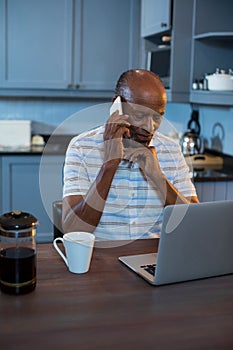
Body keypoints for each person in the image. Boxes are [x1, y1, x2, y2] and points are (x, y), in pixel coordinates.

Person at [62, 69, 199, 240]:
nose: (150, 127)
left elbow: (195, 224)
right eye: (140, 115)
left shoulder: (171, 149)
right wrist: (110, 165)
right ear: (116, 106)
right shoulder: (81, 147)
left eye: (157, 117)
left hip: (155, 258)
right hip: (99, 260)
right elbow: (72, 230)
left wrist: (157, 176)